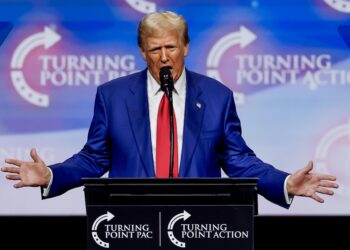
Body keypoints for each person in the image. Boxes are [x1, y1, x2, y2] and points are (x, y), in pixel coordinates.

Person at [1, 11, 338, 208]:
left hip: (200, 226)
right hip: (130, 226)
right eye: (154, 49)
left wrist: (283, 183)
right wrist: (52, 176)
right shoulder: (112, 96)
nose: (163, 57)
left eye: (171, 47)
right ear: (142, 52)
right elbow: (93, 158)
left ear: (186, 47)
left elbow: (239, 161)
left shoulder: (217, 97)